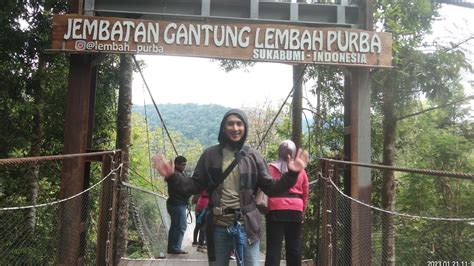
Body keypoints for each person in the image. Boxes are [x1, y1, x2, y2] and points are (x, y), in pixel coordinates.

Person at [153, 109, 309, 266]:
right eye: (230, 124)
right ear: (223, 127)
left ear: (245, 127)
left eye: (239, 124)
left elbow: (271, 187)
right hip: (218, 225)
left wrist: (292, 174)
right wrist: (172, 176)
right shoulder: (210, 155)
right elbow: (194, 185)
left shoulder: (254, 156)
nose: (235, 128)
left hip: (247, 225)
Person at [264, 140, 309, 266]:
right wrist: (302, 210)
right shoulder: (300, 170)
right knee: (294, 246)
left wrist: (267, 208)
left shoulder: (270, 168)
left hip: (275, 209)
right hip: (296, 209)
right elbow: (305, 192)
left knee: (273, 247)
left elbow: (265, 189)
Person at [166, 155, 191, 254]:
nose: (184, 167)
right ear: (176, 164)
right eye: (183, 165)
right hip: (177, 204)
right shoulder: (177, 175)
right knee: (181, 226)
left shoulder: (175, 174)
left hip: (175, 203)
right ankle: (175, 248)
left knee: (175, 226)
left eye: (185, 165)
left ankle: (171, 247)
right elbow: (184, 188)